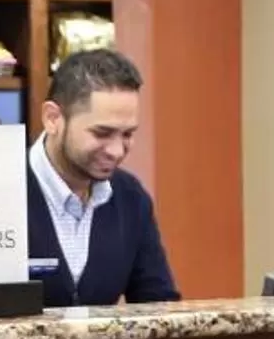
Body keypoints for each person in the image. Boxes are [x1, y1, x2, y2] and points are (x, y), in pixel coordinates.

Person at [26, 48, 179, 306]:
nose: (117, 151)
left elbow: (157, 304)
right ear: (53, 119)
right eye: (101, 133)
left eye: (127, 134)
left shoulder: (130, 197)